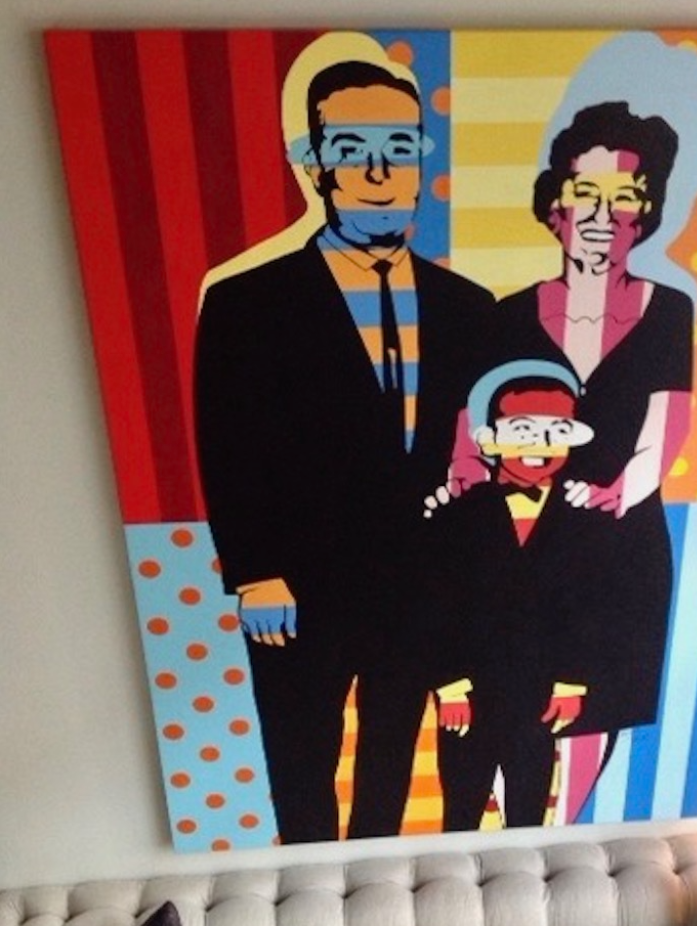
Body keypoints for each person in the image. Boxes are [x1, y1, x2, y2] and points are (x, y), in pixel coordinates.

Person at [194, 51, 494, 843]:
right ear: (314, 162)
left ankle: (374, 884)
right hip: (300, 585)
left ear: (421, 159)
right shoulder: (246, 304)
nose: (377, 171)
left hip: (420, 586)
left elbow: (478, 451)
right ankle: (308, 883)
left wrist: (468, 586)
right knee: (301, 759)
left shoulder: (469, 307)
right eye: (352, 148)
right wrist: (255, 572)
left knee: (390, 759)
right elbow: (228, 445)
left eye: (397, 148)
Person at [486, 101, 693, 820]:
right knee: (513, 701)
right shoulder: (508, 313)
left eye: (625, 197)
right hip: (525, 541)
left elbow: (670, 420)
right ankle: (505, 842)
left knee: (594, 708)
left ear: (645, 213)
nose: (603, 215)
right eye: (586, 193)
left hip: (621, 544)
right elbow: (484, 422)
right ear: (554, 206)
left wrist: (621, 491)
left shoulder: (669, 311)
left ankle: (561, 837)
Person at [424, 361, 601, 831]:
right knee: (461, 809)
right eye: (522, 432)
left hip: (539, 692)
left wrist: (571, 682)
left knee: (528, 807)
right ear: (492, 440)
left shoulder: (580, 519)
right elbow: (436, 606)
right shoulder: (458, 517)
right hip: (471, 692)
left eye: (553, 434)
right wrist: (450, 685)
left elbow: (587, 608)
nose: (537, 448)